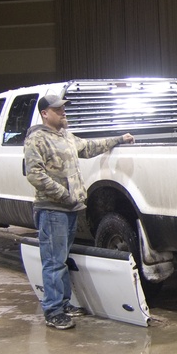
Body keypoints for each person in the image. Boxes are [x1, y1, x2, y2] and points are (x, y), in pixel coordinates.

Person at [24, 93, 135, 329]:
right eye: (58, 110)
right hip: (53, 209)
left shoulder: (65, 136)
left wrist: (119, 139)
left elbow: (90, 147)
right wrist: (65, 195)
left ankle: (63, 304)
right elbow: (34, 174)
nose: (63, 112)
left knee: (61, 259)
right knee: (54, 261)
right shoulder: (37, 140)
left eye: (64, 109)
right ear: (45, 114)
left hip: (70, 209)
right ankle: (53, 311)